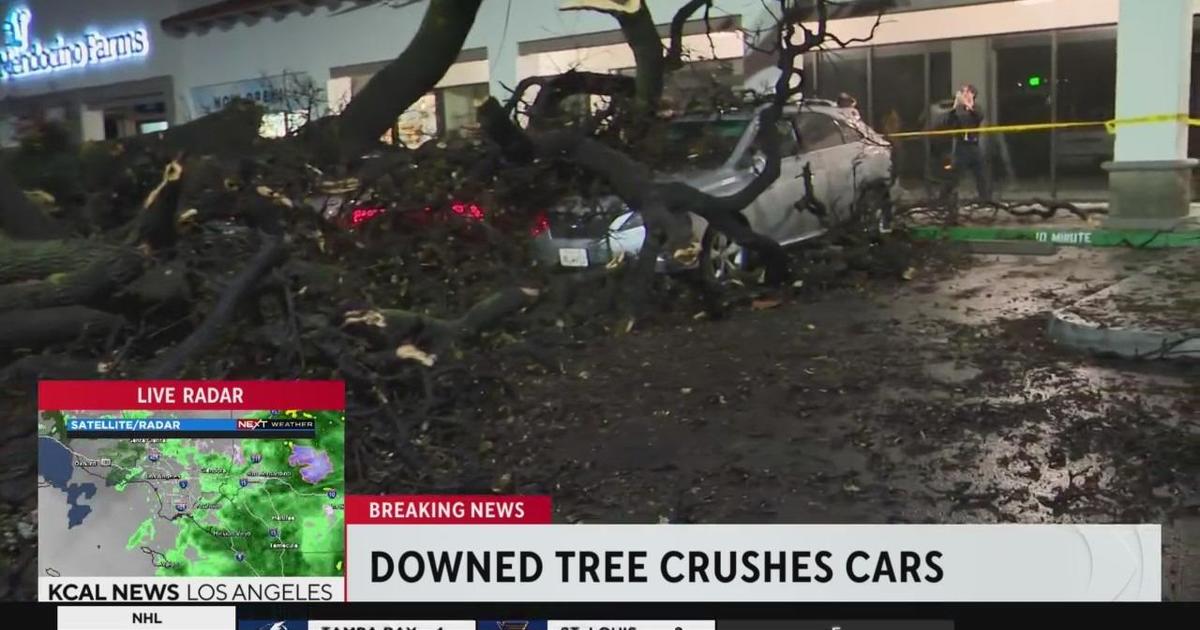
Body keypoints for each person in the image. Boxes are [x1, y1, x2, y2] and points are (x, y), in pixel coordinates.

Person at [942, 84, 991, 202]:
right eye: (963, 92)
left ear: (972, 94)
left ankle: (985, 199)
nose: (964, 94)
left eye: (966, 92)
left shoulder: (977, 108)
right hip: (961, 147)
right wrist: (955, 106)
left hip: (974, 146)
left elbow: (978, 117)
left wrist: (968, 104)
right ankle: (942, 198)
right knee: (954, 175)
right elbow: (948, 122)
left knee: (981, 174)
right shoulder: (958, 110)